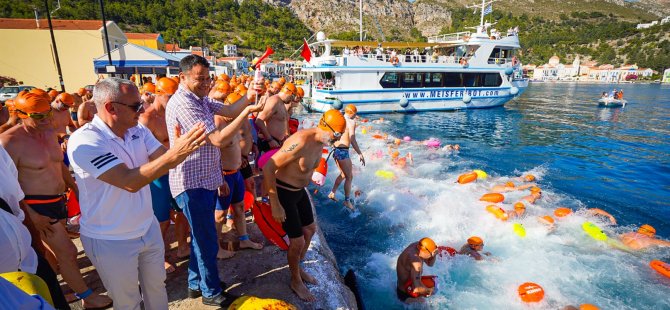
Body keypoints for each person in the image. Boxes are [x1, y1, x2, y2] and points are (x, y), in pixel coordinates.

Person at [67, 77, 208, 309]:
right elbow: (128, 181)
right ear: (111, 107)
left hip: (146, 227)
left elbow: (165, 160)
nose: (142, 109)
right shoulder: (86, 140)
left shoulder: (137, 129)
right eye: (135, 106)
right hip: (111, 238)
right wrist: (175, 154)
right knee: (127, 301)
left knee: (156, 290)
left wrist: (183, 149)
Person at [165, 54, 263, 307]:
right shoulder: (184, 105)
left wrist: (249, 93)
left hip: (205, 179)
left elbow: (230, 109)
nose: (206, 83)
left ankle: (195, 285)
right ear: (182, 78)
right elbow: (218, 140)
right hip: (190, 183)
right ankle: (210, 292)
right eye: (200, 79)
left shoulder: (200, 100)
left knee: (202, 236)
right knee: (207, 238)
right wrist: (247, 114)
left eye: (208, 78)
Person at [0, 92, 111, 309]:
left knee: (50, 256)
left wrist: (74, 188)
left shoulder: (50, 132)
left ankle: (51, 292)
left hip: (59, 200)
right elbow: (9, 187)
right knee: (68, 251)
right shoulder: (9, 142)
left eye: (47, 113)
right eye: (38, 116)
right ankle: (87, 297)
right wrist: (32, 217)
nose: (46, 120)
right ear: (21, 115)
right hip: (36, 207)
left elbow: (58, 164)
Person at [263, 109, 347, 302]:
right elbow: (269, 167)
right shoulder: (300, 141)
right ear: (326, 127)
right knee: (297, 241)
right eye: (337, 134)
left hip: (299, 192)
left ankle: (298, 268)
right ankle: (295, 280)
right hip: (284, 192)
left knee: (310, 229)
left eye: (341, 135)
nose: (339, 139)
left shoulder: (321, 142)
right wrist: (274, 203)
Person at [139, 77, 191, 273]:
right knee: (160, 220)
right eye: (170, 96)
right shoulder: (147, 119)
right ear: (158, 95)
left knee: (182, 212)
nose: (174, 99)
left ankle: (182, 246)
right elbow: (141, 152)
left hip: (177, 169)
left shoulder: (174, 113)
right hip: (159, 175)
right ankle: (156, 258)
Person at [214, 92, 264, 260]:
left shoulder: (235, 122)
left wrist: (241, 158)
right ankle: (216, 247)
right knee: (219, 214)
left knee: (240, 207)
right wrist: (219, 178)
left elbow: (237, 143)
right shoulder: (217, 123)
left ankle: (244, 239)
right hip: (223, 175)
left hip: (236, 172)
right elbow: (212, 154)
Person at [328, 104, 365, 210]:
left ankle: (332, 192)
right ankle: (347, 201)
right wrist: (360, 153)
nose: (355, 117)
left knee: (344, 175)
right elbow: (352, 139)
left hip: (336, 150)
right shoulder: (351, 122)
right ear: (352, 113)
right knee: (349, 177)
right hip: (343, 151)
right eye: (355, 115)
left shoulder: (338, 119)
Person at [255, 82, 296, 153]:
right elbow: (259, 121)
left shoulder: (281, 102)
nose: (291, 100)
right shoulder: (274, 101)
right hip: (268, 143)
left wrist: (285, 137)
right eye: (292, 97)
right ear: (289, 93)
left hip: (276, 143)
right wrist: (270, 140)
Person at [395, 237, 438, 303]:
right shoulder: (416, 262)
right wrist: (430, 291)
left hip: (406, 283)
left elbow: (430, 264)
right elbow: (416, 288)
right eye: (431, 254)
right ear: (426, 252)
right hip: (405, 294)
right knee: (425, 304)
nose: (432, 255)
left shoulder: (418, 245)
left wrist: (434, 255)